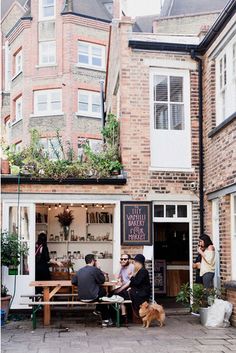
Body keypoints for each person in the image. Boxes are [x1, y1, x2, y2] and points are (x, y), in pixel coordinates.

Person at [71, 254, 112, 327]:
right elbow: (102, 281)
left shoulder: (80, 270)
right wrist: (99, 269)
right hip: (92, 297)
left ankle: (99, 311)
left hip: (81, 297)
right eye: (95, 260)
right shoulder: (95, 269)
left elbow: (73, 281)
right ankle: (104, 317)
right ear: (93, 261)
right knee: (103, 293)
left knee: (102, 297)